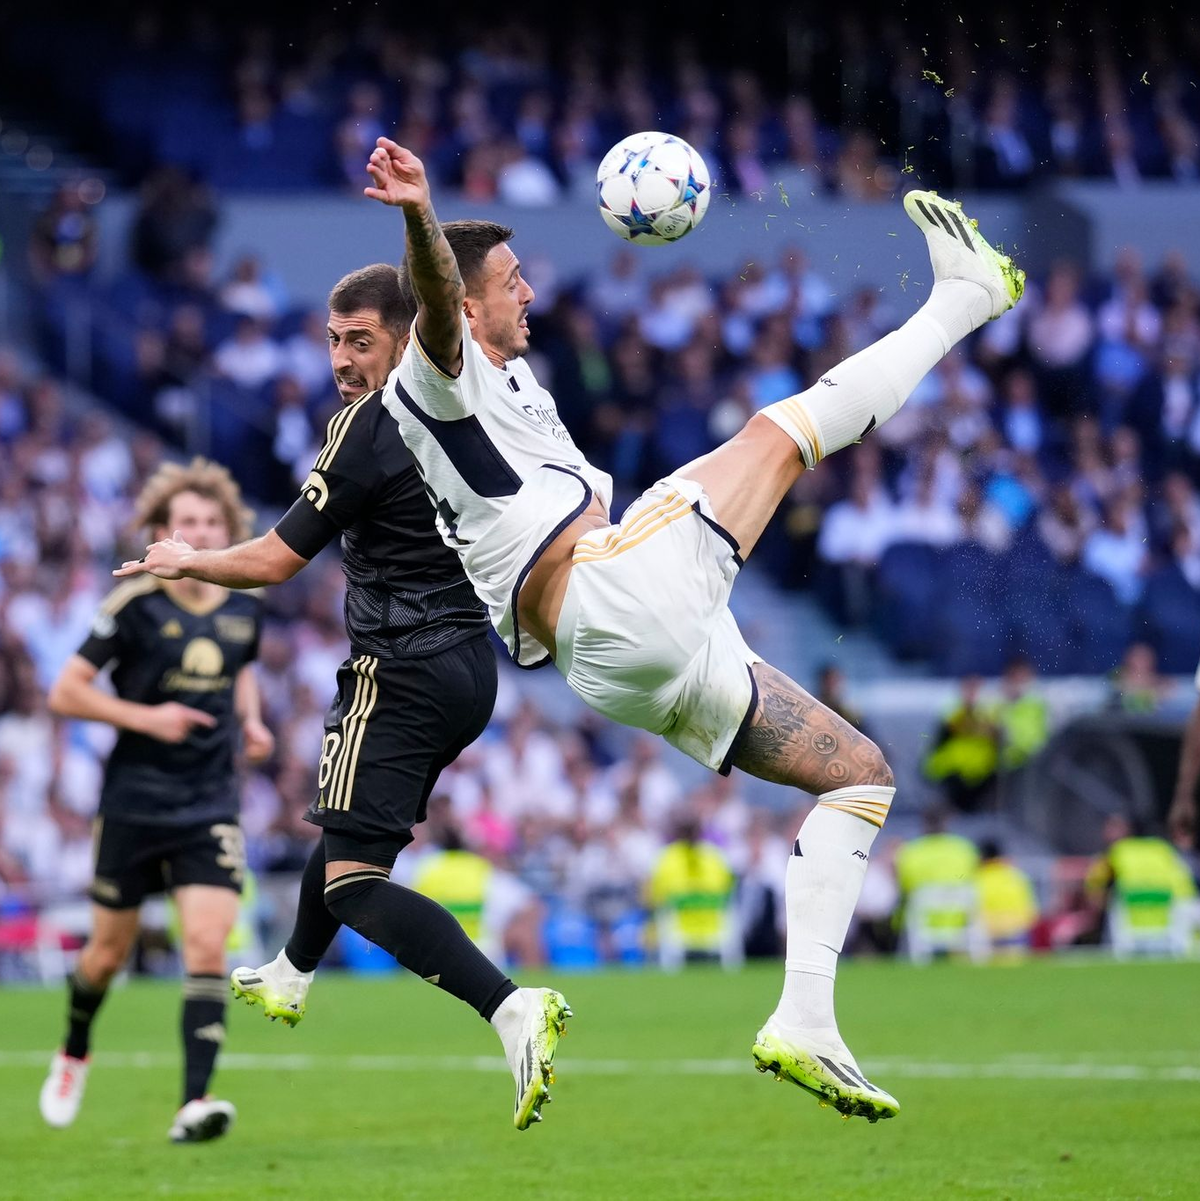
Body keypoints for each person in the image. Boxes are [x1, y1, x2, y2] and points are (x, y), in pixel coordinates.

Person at [364, 135, 1024, 1120]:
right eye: (510, 281)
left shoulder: (513, 386)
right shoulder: (437, 377)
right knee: (779, 433)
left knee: (859, 775)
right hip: (609, 594)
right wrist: (420, 214)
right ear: (464, 304)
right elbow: (429, 289)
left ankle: (807, 1017)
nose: (530, 293)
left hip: (616, 654)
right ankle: (968, 297)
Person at [118, 264, 569, 1131]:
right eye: (332, 339)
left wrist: (188, 559)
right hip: (472, 664)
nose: (340, 359)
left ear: (406, 338)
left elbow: (279, 558)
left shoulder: (371, 421)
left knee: (356, 881)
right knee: (344, 831)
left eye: (360, 339)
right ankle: (291, 969)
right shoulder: (485, 401)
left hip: (397, 666)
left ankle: (509, 1004)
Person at [39, 459, 273, 1142]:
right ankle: (75, 1045)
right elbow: (65, 691)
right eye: (187, 522)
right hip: (136, 798)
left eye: (211, 523)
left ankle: (192, 1104)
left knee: (205, 944)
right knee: (105, 955)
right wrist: (151, 718)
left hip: (209, 801)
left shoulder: (245, 601)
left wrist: (251, 720)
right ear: (165, 533)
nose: (199, 532)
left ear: (227, 532)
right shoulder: (133, 602)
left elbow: (243, 666)